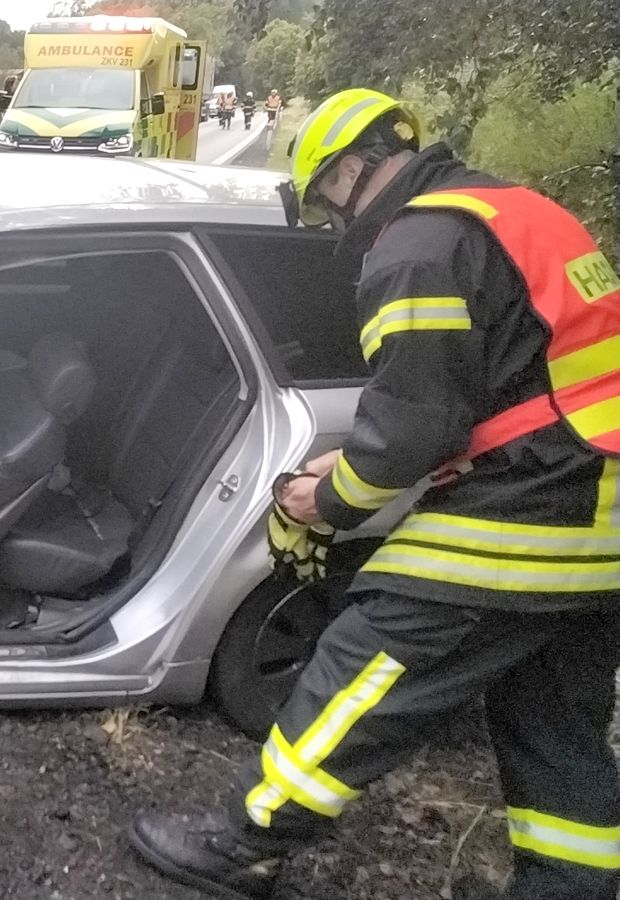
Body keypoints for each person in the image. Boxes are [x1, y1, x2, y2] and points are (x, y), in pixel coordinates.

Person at [128, 87, 620, 900]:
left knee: (363, 666)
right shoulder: (516, 210)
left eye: (325, 197)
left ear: (351, 169)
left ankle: (241, 846)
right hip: (598, 512)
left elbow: (413, 428)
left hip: (537, 508)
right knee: (555, 726)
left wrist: (327, 503)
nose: (332, 220)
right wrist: (357, 465)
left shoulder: (415, 248)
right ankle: (571, 884)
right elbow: (503, 386)